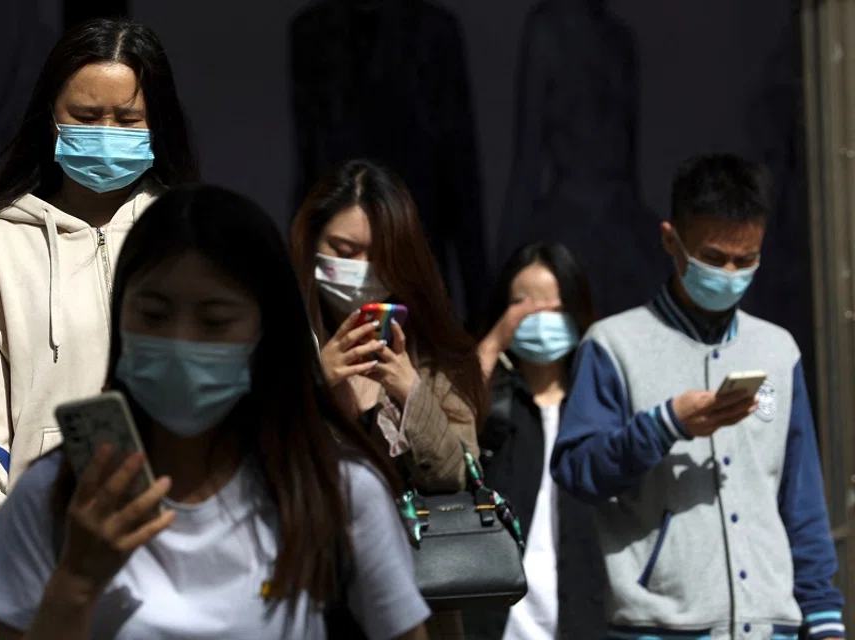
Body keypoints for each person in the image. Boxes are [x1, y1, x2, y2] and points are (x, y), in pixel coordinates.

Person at [0, 185, 431, 640]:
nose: (180, 341)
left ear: (268, 332)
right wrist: (77, 578)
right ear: (120, 317)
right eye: (154, 315)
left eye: (215, 321)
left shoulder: (335, 491)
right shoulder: (56, 493)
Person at [0, 17, 199, 592]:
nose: (106, 132)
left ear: (158, 123)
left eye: (127, 118)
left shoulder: (197, 236)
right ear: (50, 119)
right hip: (47, 555)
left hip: (188, 548)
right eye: (87, 117)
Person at [551, 154, 845, 640]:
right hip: (662, 627)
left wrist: (825, 619)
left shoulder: (778, 350)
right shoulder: (613, 345)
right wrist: (666, 426)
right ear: (671, 240)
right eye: (713, 258)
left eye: (745, 259)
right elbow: (578, 473)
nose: (729, 273)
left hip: (772, 626)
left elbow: (801, 500)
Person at [291, 158, 486, 639]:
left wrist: (408, 390)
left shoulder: (433, 355)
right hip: (304, 595)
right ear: (312, 245)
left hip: (413, 605)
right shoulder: (280, 344)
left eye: (377, 258)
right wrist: (317, 381)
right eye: (343, 250)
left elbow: (457, 472)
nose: (359, 272)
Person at [461, 243, 606, 640]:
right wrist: (491, 344)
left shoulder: (597, 404)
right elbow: (444, 423)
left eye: (553, 308)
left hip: (582, 618)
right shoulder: (492, 399)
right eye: (523, 306)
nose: (539, 319)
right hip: (495, 623)